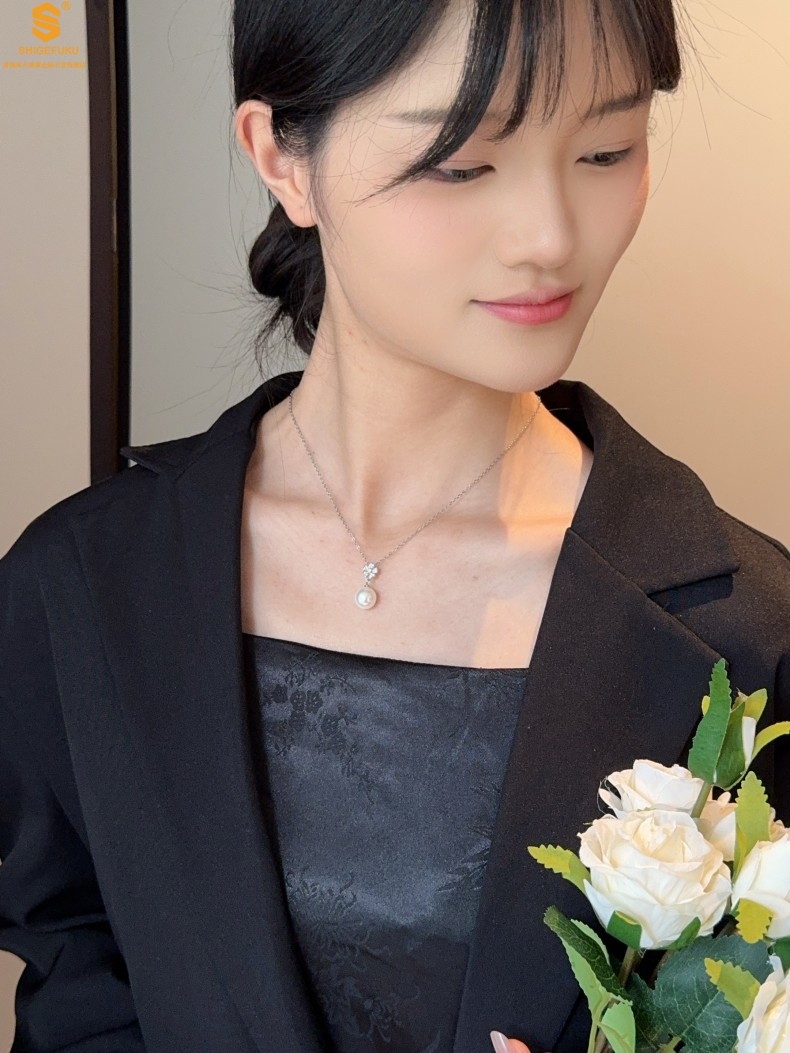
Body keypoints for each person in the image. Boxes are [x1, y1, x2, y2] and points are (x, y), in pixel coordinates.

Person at [1, 0, 788, 1051]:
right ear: (282, 158)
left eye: (606, 150)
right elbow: (77, 990)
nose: (551, 238)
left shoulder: (747, 629)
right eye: (460, 165)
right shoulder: (82, 585)